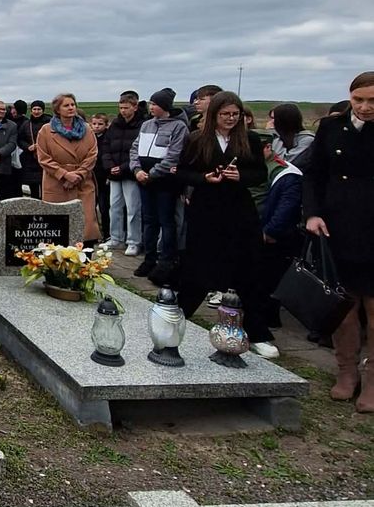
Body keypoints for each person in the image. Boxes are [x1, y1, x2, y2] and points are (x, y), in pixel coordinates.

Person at [175, 91, 276, 356]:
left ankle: (257, 332)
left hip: (238, 211)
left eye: (235, 114)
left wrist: (239, 175)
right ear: (214, 115)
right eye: (225, 114)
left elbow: (259, 174)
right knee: (197, 268)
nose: (230, 119)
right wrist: (204, 178)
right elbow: (182, 171)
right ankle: (176, 319)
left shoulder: (250, 140)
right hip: (206, 210)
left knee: (248, 270)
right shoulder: (198, 140)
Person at [303, 72, 374, 412]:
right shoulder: (331, 129)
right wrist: (312, 214)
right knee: (342, 308)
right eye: (359, 99)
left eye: (373, 101)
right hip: (336, 228)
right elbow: (314, 173)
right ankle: (346, 371)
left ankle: (372, 378)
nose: (364, 107)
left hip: (372, 230)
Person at [130, 88, 189, 279]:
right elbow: (135, 149)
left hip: (164, 183)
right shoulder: (146, 125)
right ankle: (149, 259)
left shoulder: (178, 127)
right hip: (144, 182)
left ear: (164, 106)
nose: (151, 107)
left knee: (166, 221)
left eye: (154, 104)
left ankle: (165, 261)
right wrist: (137, 170)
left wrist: (152, 174)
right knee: (149, 221)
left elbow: (174, 156)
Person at [35, 93, 99, 243]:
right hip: (57, 183)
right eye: (66, 105)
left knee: (86, 224)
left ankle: (84, 263)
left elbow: (92, 154)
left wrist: (79, 174)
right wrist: (64, 174)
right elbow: (43, 158)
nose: (71, 108)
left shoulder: (87, 129)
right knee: (58, 227)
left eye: (73, 105)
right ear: (57, 109)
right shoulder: (46, 131)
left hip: (82, 183)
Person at [258, 131, 304, 334]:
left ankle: (269, 319)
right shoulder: (253, 168)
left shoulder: (287, 174)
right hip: (253, 231)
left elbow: (287, 206)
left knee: (271, 280)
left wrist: (270, 231)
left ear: (268, 148)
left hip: (275, 236)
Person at [100, 91, 142, 256]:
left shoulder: (141, 125)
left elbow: (139, 151)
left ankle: (134, 241)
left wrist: (124, 167)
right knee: (114, 207)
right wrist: (109, 165)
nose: (123, 111)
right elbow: (106, 146)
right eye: (121, 107)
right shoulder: (115, 125)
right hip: (113, 173)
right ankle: (116, 237)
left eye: (126, 107)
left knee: (133, 209)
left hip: (130, 173)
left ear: (135, 107)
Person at [16, 100, 49, 198]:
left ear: (43, 110)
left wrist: (42, 146)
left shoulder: (49, 123)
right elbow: (20, 139)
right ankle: (35, 210)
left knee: (46, 187)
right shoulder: (26, 124)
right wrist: (27, 147)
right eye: (34, 109)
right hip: (31, 160)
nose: (36, 111)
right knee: (33, 188)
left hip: (46, 158)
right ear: (31, 110)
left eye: (39, 109)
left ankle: (46, 210)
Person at [271, 103, 315, 168]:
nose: (271, 122)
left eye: (274, 118)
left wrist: (277, 138)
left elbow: (285, 162)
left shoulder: (307, 140)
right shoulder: (279, 137)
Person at [89, 113, 111, 240]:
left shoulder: (108, 138)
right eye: (94, 124)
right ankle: (94, 233)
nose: (96, 127)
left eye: (100, 124)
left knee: (104, 207)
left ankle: (107, 233)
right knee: (91, 207)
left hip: (104, 177)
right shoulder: (90, 137)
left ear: (106, 125)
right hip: (92, 176)